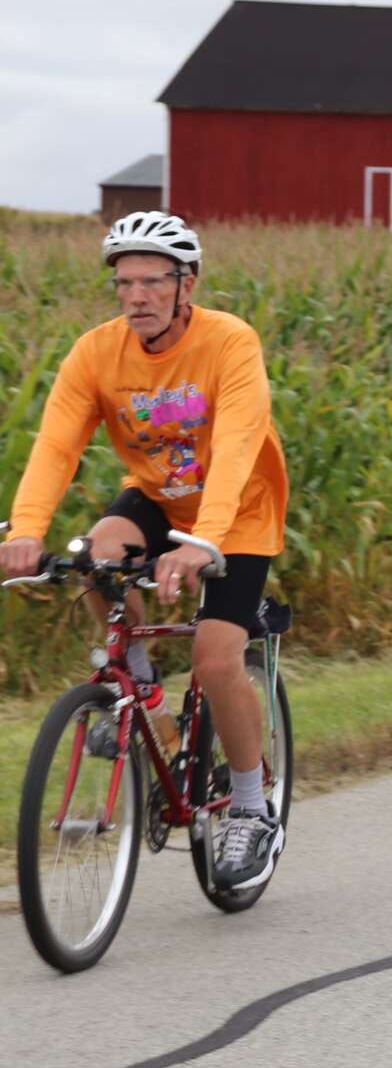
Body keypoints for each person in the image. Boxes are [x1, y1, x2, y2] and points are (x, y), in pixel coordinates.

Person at [0, 212, 290, 889]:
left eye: (153, 281)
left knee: (215, 659)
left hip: (237, 512)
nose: (136, 297)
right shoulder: (96, 353)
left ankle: (252, 807)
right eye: (125, 283)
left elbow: (238, 446)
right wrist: (25, 530)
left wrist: (204, 542)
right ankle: (141, 691)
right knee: (94, 554)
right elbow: (57, 445)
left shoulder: (229, 342)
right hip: (159, 498)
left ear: (187, 284)